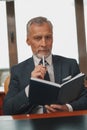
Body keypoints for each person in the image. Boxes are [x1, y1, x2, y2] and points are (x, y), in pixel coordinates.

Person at [3, 16, 87, 115]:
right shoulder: (17, 70)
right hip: (32, 123)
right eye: (38, 38)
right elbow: (8, 109)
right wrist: (32, 87)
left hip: (65, 121)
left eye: (48, 37)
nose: (44, 43)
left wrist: (68, 108)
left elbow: (85, 98)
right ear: (28, 41)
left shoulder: (70, 64)